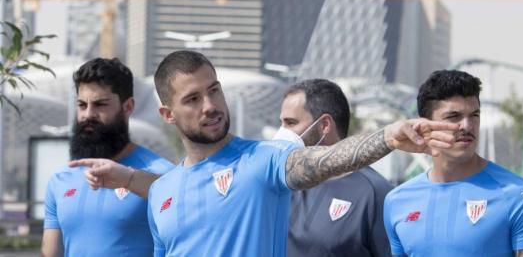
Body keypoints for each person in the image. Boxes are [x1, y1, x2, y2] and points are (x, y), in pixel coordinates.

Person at [71, 50, 459, 257]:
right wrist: (128, 178)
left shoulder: (264, 161)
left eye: (214, 90)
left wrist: (388, 137)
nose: (210, 105)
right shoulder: (161, 193)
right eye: (193, 98)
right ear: (168, 114)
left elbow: (327, 160)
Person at [383, 70, 523, 257]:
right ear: (425, 125)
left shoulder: (520, 195)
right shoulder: (397, 200)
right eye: (453, 116)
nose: (467, 126)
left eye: (474, 115)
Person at [41, 58, 174, 257]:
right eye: (82, 105)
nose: (88, 114)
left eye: (100, 104)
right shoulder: (60, 180)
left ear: (128, 107)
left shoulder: (161, 176)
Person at [274, 79, 392, 257]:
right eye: (281, 123)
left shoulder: (374, 193)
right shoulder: (281, 183)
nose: (282, 133)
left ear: (324, 125)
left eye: (291, 123)